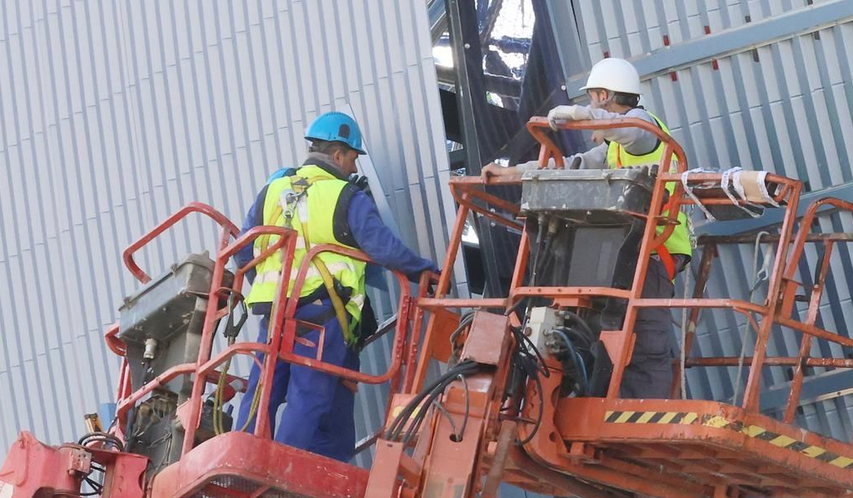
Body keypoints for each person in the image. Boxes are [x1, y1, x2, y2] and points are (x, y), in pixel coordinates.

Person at [233, 111, 439, 461]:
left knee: (264, 388)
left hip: (273, 313)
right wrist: (426, 273)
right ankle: (279, 476)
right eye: (353, 159)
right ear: (339, 153)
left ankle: (241, 460)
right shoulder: (346, 196)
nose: (355, 169)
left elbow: (242, 254)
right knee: (309, 395)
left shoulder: (274, 190)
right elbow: (384, 248)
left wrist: (270, 292)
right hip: (320, 315)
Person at [480, 57, 690, 398]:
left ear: (605, 95)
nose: (590, 105)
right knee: (601, 330)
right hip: (632, 253)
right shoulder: (613, 151)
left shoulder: (643, 130)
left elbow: (630, 128)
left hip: (654, 254)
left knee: (645, 342)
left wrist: (587, 117)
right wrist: (513, 173)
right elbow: (568, 166)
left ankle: (647, 413)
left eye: (593, 98)